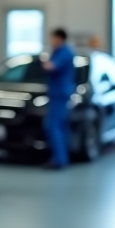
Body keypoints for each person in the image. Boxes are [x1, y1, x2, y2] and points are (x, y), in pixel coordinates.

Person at [42, 28, 75, 170]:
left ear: (59, 38)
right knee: (59, 126)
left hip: (59, 94)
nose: (52, 41)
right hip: (58, 93)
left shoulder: (64, 52)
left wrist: (44, 60)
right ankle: (61, 157)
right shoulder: (59, 52)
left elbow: (50, 66)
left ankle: (59, 159)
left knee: (53, 126)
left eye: (53, 38)